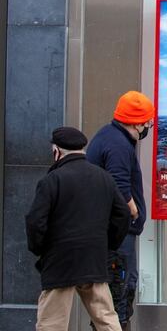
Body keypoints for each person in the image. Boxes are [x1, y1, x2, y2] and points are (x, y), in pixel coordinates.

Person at [26, 127, 131, 331]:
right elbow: (123, 215)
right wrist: (107, 245)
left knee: (52, 323)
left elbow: (35, 221)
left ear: (56, 151)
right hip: (94, 258)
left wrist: (40, 249)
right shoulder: (104, 178)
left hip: (59, 261)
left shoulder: (52, 180)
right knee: (106, 319)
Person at [86, 90, 155, 331]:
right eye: (148, 122)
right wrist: (133, 212)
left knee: (119, 287)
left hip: (114, 230)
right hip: (117, 233)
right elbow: (119, 185)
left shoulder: (111, 137)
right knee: (120, 288)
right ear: (137, 123)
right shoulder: (117, 144)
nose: (149, 127)